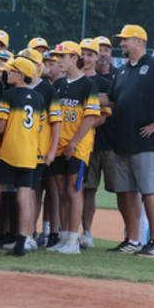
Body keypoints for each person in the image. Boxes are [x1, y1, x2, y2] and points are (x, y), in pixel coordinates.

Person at [101, 25, 154, 258]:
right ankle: (133, 240)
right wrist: (80, 94)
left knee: (149, 192)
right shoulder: (122, 71)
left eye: (124, 40)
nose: (121, 44)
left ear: (139, 41)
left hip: (147, 141)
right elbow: (110, 99)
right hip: (123, 140)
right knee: (127, 192)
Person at [0, 58, 45, 257]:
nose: (7, 74)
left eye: (11, 71)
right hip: (29, 155)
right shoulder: (38, 98)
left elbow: (0, 127)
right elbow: (41, 126)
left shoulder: (8, 96)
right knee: (24, 197)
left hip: (10, 153)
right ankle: (20, 246)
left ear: (21, 75)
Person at [49, 41, 100, 254]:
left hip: (77, 147)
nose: (58, 61)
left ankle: (73, 240)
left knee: (73, 190)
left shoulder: (88, 85)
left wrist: (72, 144)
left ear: (74, 58)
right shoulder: (59, 85)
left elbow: (89, 119)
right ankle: (63, 237)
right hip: (60, 145)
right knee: (61, 192)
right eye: (57, 57)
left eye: (62, 57)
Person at [16, 49, 61, 252]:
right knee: (25, 192)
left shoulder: (47, 89)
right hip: (19, 148)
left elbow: (56, 120)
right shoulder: (16, 85)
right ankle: (26, 234)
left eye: (29, 61)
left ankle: (29, 236)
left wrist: (52, 149)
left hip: (38, 149)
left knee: (32, 191)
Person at [79, 38, 114, 249]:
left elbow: (103, 115)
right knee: (87, 189)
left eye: (90, 54)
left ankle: (132, 235)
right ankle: (85, 233)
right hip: (83, 146)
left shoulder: (104, 84)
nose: (87, 58)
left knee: (122, 189)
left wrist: (84, 127)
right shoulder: (71, 80)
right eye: (84, 54)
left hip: (105, 142)